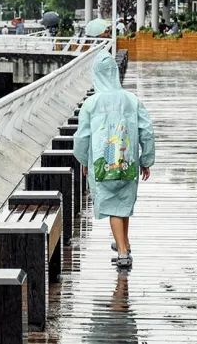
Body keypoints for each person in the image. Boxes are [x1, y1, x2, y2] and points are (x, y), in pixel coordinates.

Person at [73, 50, 155, 270]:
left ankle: (122, 253)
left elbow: (82, 136)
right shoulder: (131, 100)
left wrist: (83, 160)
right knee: (123, 204)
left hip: (103, 163)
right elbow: (146, 130)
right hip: (128, 161)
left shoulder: (91, 104)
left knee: (112, 206)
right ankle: (124, 243)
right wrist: (145, 159)